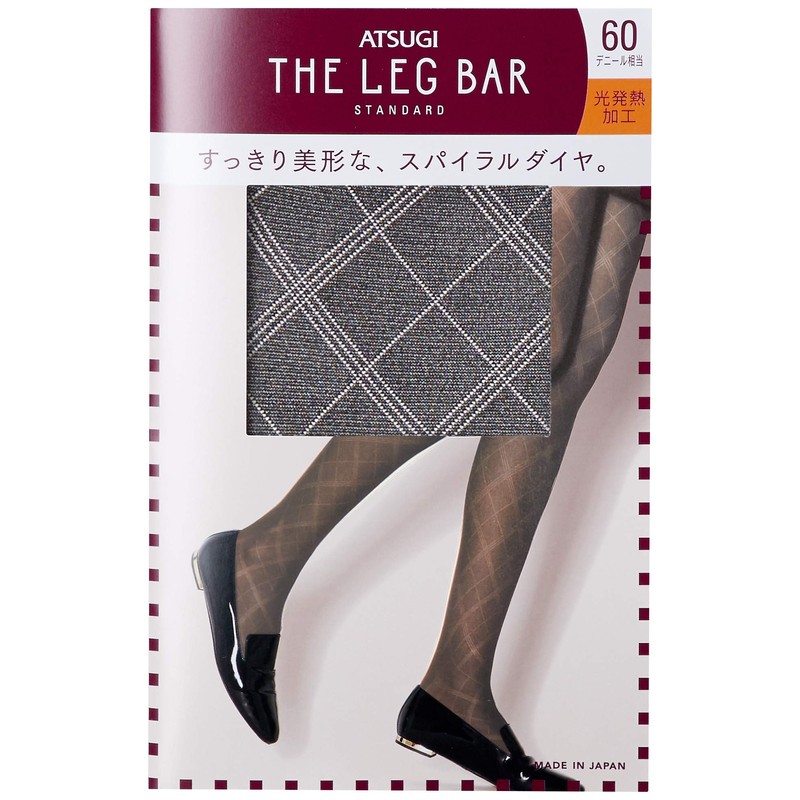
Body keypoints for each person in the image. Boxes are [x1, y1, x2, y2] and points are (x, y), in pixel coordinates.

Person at [192, 186, 650, 791]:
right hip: (581, 117)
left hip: (638, 123)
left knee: (573, 358)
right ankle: (263, 553)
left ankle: (458, 684)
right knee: (534, 332)